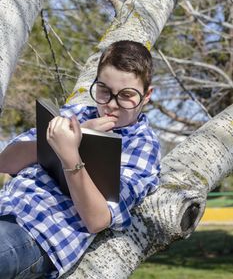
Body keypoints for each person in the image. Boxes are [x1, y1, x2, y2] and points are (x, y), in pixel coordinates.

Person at [0, 40, 160, 279]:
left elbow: (97, 220)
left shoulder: (142, 146)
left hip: (40, 233)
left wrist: (71, 155)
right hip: (7, 205)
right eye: (104, 91)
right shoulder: (75, 113)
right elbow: (6, 162)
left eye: (126, 96)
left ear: (147, 95)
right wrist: (74, 135)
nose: (111, 106)